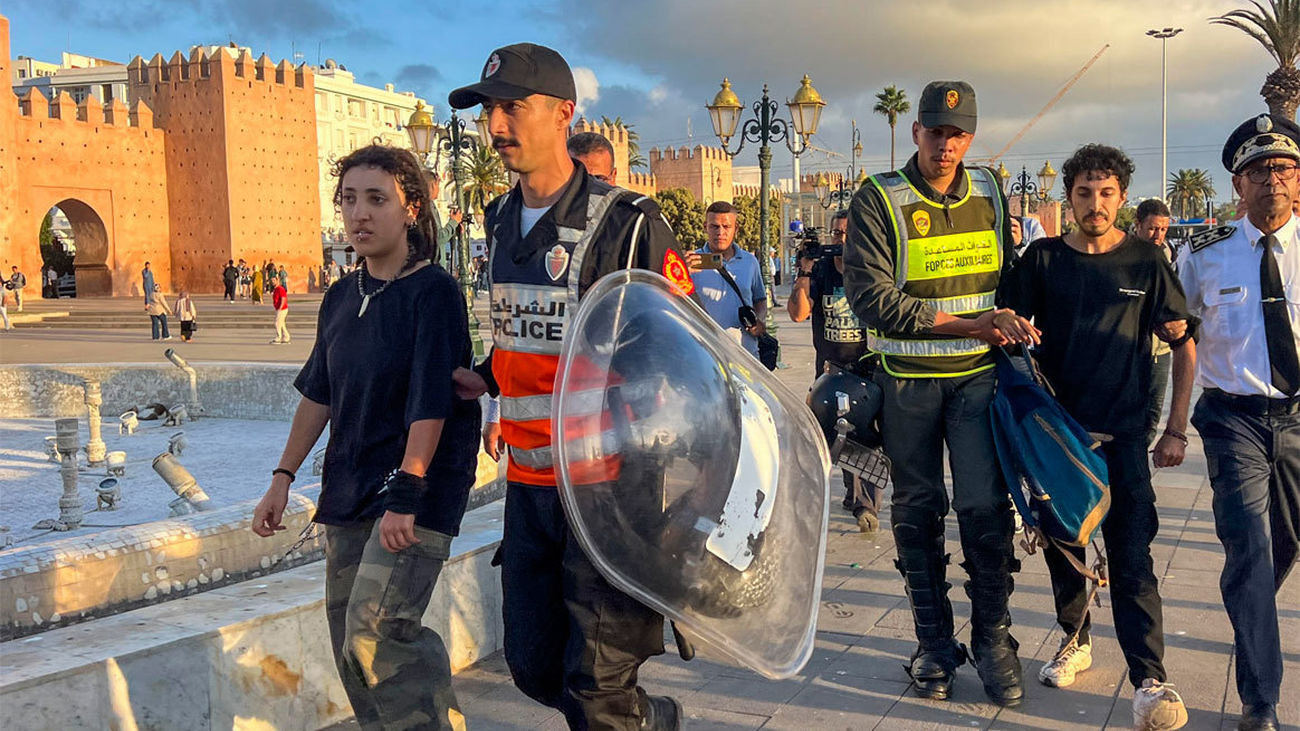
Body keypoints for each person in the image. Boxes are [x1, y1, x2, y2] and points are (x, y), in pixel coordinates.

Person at [447, 42, 697, 729]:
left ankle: (622, 713)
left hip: (608, 491)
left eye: (511, 109)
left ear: (564, 114)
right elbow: (523, 337)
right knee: (532, 665)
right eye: (488, 111)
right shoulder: (499, 222)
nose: (496, 127)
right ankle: (644, 718)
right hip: (528, 489)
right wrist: (488, 376)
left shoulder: (630, 222)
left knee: (595, 685)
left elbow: (682, 350)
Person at [252, 143, 481, 731]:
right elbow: (320, 392)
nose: (360, 214)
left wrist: (407, 490)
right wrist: (281, 480)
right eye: (349, 199)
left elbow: (432, 400)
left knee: (378, 632)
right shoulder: (340, 295)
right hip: (349, 489)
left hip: (414, 491)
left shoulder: (433, 292)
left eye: (377, 199)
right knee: (349, 647)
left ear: (411, 209)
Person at [842, 80, 1032, 707]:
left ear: (969, 137)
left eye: (957, 135)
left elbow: (1008, 272)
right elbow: (873, 299)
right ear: (917, 131)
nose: (945, 145)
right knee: (917, 511)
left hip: (978, 380)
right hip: (908, 383)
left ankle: (993, 638)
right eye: (935, 132)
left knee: (983, 509)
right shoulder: (879, 198)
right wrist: (973, 323)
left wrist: (1011, 319)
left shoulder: (991, 192)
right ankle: (933, 641)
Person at [999, 144, 1193, 730]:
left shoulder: (1146, 262)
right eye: (1084, 192)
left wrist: (1177, 428)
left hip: (1127, 435)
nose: (1095, 203)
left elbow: (1185, 345)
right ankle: (1075, 639)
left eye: (1106, 192)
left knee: (1134, 557)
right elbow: (1005, 331)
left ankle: (1150, 679)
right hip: (1059, 441)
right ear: (1070, 197)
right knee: (1067, 551)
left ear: (1122, 198)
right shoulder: (1042, 259)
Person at [1180, 114, 1300, 731]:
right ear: (1238, 186)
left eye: (1281, 168)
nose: (1270, 180)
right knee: (1249, 548)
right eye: (1257, 171)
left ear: (1298, 180)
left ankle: (1249, 611)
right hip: (1234, 420)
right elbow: (1172, 328)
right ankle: (1261, 701)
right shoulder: (1204, 255)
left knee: (1284, 544)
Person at [787, 210, 878, 531]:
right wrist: (803, 273)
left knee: (865, 436)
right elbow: (798, 314)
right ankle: (852, 496)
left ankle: (864, 504)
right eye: (837, 234)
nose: (842, 240)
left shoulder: (869, 270)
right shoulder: (821, 270)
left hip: (867, 367)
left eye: (849, 234)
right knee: (833, 436)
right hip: (830, 369)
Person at [685, 200, 767, 360]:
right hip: (705, 355)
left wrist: (760, 322)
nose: (720, 232)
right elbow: (673, 300)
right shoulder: (692, 261)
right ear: (705, 227)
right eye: (714, 226)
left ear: (735, 229)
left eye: (726, 227)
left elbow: (760, 300)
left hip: (745, 354)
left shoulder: (749, 262)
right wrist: (680, 273)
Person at [1132, 198, 1176, 444]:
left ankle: (1140, 463)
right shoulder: (1122, 254)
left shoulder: (1170, 255)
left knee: (1152, 412)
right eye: (1152, 228)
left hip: (1161, 348)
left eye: (1163, 229)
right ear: (1137, 225)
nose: (1157, 235)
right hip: (1130, 346)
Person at [270, 278, 290, 344]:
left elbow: (283, 298)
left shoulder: (280, 289)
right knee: (281, 323)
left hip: (282, 309)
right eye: (272, 281)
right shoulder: (275, 289)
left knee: (277, 323)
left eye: (274, 280)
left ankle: (278, 337)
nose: (273, 282)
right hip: (279, 308)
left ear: (277, 281)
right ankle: (286, 337)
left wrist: (280, 308)